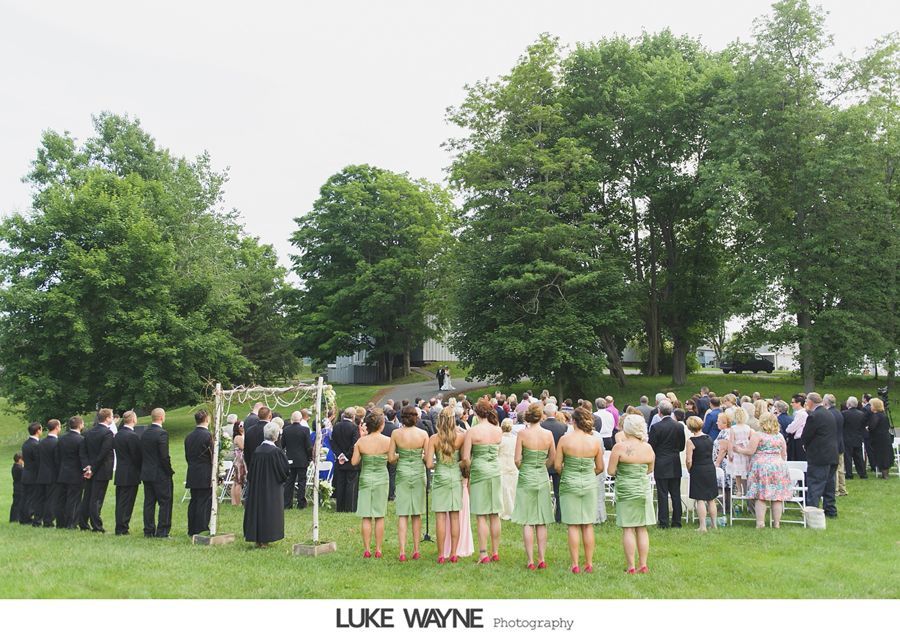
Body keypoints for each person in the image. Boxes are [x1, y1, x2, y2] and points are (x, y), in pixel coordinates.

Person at [555, 407, 603, 574]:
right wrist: (588, 474)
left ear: (573, 421)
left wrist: (568, 473)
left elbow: (557, 465)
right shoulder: (595, 441)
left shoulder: (564, 440)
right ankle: (589, 563)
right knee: (587, 525)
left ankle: (575, 564)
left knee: (573, 525)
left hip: (569, 482)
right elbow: (600, 467)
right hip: (589, 483)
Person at [608, 414, 655, 574]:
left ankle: (631, 566)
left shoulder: (619, 447)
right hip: (642, 489)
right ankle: (643, 564)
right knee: (642, 528)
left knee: (628, 528)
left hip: (626, 489)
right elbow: (650, 469)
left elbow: (611, 471)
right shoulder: (648, 447)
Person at [512, 403, 555, 570]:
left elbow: (517, 459)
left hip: (526, 475)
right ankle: (542, 558)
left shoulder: (523, 434)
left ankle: (530, 560)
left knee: (528, 520)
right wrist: (544, 465)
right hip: (542, 475)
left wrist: (524, 469)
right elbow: (553, 457)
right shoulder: (548, 434)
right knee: (542, 519)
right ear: (541, 416)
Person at [462, 398, 503, 564]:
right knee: (494, 513)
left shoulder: (472, 431)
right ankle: (495, 551)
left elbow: (465, 457)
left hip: (479, 470)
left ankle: (483, 552)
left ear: (477, 413)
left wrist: (466, 470)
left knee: (481, 515)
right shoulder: (497, 430)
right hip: (494, 470)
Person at [735, 412, 793, 528]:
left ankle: (760, 522)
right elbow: (784, 453)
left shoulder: (758, 435)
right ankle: (776, 523)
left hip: (761, 467)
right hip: (778, 466)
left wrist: (739, 449)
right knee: (777, 496)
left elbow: (750, 451)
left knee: (760, 495)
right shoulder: (779, 436)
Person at [427, 406, 467, 563]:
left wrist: (439, 465)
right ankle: (454, 553)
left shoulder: (434, 439)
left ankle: (440, 554)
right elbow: (464, 460)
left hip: (441, 476)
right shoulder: (461, 438)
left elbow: (429, 464)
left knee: (440, 518)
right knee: (455, 517)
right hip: (455, 476)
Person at [389, 405, 428, 561]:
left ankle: (402, 551)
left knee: (403, 513)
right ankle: (417, 549)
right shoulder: (423, 434)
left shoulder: (396, 434)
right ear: (416, 417)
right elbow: (427, 458)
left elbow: (391, 458)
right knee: (416, 513)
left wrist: (402, 455)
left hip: (403, 473)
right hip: (418, 473)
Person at [243, 422, 290, 547]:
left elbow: (251, 471)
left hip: (257, 487)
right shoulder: (276, 452)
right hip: (271, 488)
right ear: (276, 436)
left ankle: (258, 538)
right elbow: (284, 471)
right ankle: (266, 538)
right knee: (268, 511)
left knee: (258, 510)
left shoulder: (257, 451)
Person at [352, 408, 391, 558]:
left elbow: (354, 461)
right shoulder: (388, 441)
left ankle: (367, 549)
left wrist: (359, 447)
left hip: (366, 478)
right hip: (382, 477)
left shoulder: (361, 442)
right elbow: (392, 459)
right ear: (381, 425)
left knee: (366, 515)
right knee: (379, 515)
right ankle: (379, 549)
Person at [648, 400, 685, 528]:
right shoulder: (679, 426)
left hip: (661, 462)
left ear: (659, 412)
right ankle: (677, 521)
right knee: (675, 493)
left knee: (662, 493)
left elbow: (651, 446)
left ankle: (663, 522)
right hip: (674, 461)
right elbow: (681, 446)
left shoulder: (656, 427)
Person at [801, 392, 839, 517]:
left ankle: (812, 512)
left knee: (815, 484)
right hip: (832, 454)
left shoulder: (814, 416)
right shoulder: (829, 413)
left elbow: (806, 435)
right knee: (829, 485)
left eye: (806, 401)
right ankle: (830, 510)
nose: (806, 403)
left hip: (819, 455)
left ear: (811, 402)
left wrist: (805, 445)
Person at [141, 408, 174, 538]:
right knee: (165, 502)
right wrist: (169, 471)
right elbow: (164, 456)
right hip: (160, 473)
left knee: (149, 502)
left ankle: (148, 530)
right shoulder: (162, 434)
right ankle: (163, 531)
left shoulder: (145, 433)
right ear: (161, 417)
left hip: (147, 472)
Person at [80, 408, 115, 532]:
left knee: (87, 496)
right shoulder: (107, 433)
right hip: (101, 469)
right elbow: (104, 453)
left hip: (90, 469)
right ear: (107, 418)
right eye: (111, 417)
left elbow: (83, 451)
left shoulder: (88, 432)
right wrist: (93, 468)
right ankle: (97, 525)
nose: (112, 419)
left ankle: (83, 522)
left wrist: (87, 467)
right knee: (97, 498)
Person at [685, 416, 718, 532]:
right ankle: (714, 524)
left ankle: (703, 526)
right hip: (710, 467)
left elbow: (689, 460)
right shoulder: (709, 438)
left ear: (690, 428)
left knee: (700, 499)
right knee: (711, 498)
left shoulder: (691, 441)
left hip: (698, 469)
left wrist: (689, 469)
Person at [184, 410, 213, 536]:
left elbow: (187, 455)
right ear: (206, 419)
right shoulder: (208, 436)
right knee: (204, 501)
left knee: (194, 500)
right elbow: (212, 456)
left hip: (192, 470)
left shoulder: (189, 436)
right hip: (205, 471)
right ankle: (201, 527)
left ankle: (192, 528)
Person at [113, 411, 142, 535]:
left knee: (120, 501)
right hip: (131, 473)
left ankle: (119, 525)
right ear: (134, 420)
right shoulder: (133, 436)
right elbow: (137, 456)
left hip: (120, 471)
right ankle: (122, 527)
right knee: (128, 501)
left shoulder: (118, 435)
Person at [56, 416, 88, 529]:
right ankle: (71, 523)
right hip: (76, 474)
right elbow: (82, 457)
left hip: (63, 472)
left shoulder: (61, 439)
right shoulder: (81, 439)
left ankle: (60, 523)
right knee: (74, 500)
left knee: (62, 499)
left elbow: (57, 457)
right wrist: (86, 469)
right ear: (80, 425)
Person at [540, 403, 567, 523]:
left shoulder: (540, 427)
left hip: (543, 461)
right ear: (555, 413)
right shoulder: (563, 427)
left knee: (542, 491)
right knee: (558, 492)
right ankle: (559, 517)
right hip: (558, 462)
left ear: (544, 414)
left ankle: (543, 514)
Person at [282, 411, 313, 509]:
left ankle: (287, 503)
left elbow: (282, 445)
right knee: (301, 481)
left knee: (289, 482)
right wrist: (309, 457)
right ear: (300, 420)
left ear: (291, 419)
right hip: (302, 459)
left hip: (290, 458)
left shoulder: (286, 430)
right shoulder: (305, 430)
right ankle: (301, 503)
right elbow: (308, 446)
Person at [332, 407, 360, 513]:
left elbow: (333, 442)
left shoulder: (336, 426)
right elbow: (355, 444)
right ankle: (350, 507)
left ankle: (340, 507)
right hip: (350, 459)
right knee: (350, 484)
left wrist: (340, 455)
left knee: (340, 484)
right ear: (353, 416)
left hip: (340, 460)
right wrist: (346, 456)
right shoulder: (354, 427)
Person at [35, 419, 61, 528]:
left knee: (40, 498)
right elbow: (57, 460)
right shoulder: (56, 443)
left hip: (41, 473)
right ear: (56, 427)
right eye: (59, 426)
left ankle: (37, 520)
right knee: (51, 499)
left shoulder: (41, 442)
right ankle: (48, 521)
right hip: (52, 475)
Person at [728, 406, 753, 505]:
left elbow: (730, 441)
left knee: (738, 472)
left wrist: (730, 452)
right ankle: (746, 489)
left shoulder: (733, 428)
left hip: (737, 450)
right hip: (745, 450)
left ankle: (739, 490)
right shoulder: (747, 427)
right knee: (746, 471)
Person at [823, 394, 847, 496]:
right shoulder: (838, 412)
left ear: (825, 403)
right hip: (840, 443)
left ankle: (835, 490)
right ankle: (842, 489)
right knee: (840, 468)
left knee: (834, 469)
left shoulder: (828, 414)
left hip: (833, 444)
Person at [865, 398, 893, 479]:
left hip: (879, 439)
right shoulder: (884, 415)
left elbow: (872, 426)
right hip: (885, 438)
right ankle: (885, 473)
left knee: (881, 456)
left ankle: (884, 475)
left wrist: (868, 428)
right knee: (885, 456)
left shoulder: (876, 416)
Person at [20, 422, 41, 526]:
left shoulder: (26, 443)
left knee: (26, 497)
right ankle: (28, 518)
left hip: (26, 473)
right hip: (33, 475)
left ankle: (23, 517)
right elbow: (38, 461)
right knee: (32, 497)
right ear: (38, 430)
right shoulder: (35, 445)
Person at [842, 397, 867, 479]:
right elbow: (863, 426)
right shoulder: (861, 414)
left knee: (848, 457)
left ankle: (849, 474)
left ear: (848, 404)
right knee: (859, 457)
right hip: (858, 437)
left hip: (847, 438)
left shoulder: (844, 414)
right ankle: (862, 473)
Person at [499, 418, 518, 521]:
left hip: (502, 464)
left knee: (503, 489)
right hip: (512, 464)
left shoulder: (499, 439)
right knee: (512, 488)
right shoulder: (516, 439)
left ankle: (503, 510)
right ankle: (512, 510)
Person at [785, 394, 808, 461]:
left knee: (799, 460)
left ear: (799, 403)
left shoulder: (801, 414)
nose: (791, 404)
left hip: (799, 441)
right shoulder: (800, 413)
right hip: (798, 440)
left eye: (793, 402)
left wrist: (788, 428)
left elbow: (791, 429)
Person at [230, 417, 246, 505]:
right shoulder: (239, 437)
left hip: (237, 461)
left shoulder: (239, 436)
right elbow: (243, 448)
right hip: (240, 461)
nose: (243, 427)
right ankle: (238, 502)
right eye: (241, 426)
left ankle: (234, 502)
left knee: (236, 481)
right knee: (239, 482)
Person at [10, 453, 24, 522]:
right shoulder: (19, 468)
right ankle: (15, 518)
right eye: (22, 459)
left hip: (16, 487)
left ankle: (14, 518)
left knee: (16, 503)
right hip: (19, 488)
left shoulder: (14, 467)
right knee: (18, 503)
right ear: (19, 460)